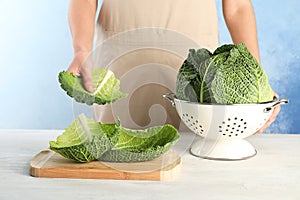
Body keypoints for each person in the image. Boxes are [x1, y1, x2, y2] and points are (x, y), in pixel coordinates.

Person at [67, 0, 280, 133]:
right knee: (118, 159)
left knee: (195, 163)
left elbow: (237, 7)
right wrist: (81, 50)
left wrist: (254, 76)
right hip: (119, 64)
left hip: (194, 69)